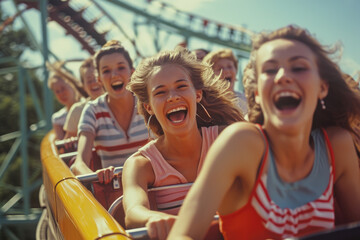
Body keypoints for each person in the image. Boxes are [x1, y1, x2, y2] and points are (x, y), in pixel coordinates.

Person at [168, 25, 360, 240]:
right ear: (258, 92)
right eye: (270, 70)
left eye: (298, 68)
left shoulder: (336, 144)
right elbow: (182, 236)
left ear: (322, 87)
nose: (282, 76)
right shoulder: (240, 143)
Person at [122, 47, 244, 239]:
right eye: (160, 92)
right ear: (149, 107)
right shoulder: (141, 164)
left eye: (181, 86)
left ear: (197, 94)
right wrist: (153, 218)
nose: (173, 97)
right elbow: (133, 211)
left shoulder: (226, 139)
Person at [71, 40, 149, 183]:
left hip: (152, 184)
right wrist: (96, 178)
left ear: (131, 72)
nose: (114, 75)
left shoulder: (147, 104)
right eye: (106, 71)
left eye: (121, 68)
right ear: (99, 79)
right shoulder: (93, 110)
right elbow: (79, 164)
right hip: (114, 191)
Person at [63, 57, 104, 139]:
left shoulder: (117, 104)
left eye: (96, 78)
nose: (94, 83)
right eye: (89, 81)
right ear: (84, 86)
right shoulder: (77, 110)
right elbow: (67, 142)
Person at [203, 48, 248, 116]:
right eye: (220, 69)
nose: (226, 71)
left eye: (230, 67)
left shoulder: (246, 100)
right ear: (210, 76)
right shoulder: (206, 103)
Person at [47, 73, 79, 140]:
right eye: (57, 91)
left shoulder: (88, 107)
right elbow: (62, 145)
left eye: (63, 88)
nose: (61, 93)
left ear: (72, 85)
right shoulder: (57, 118)